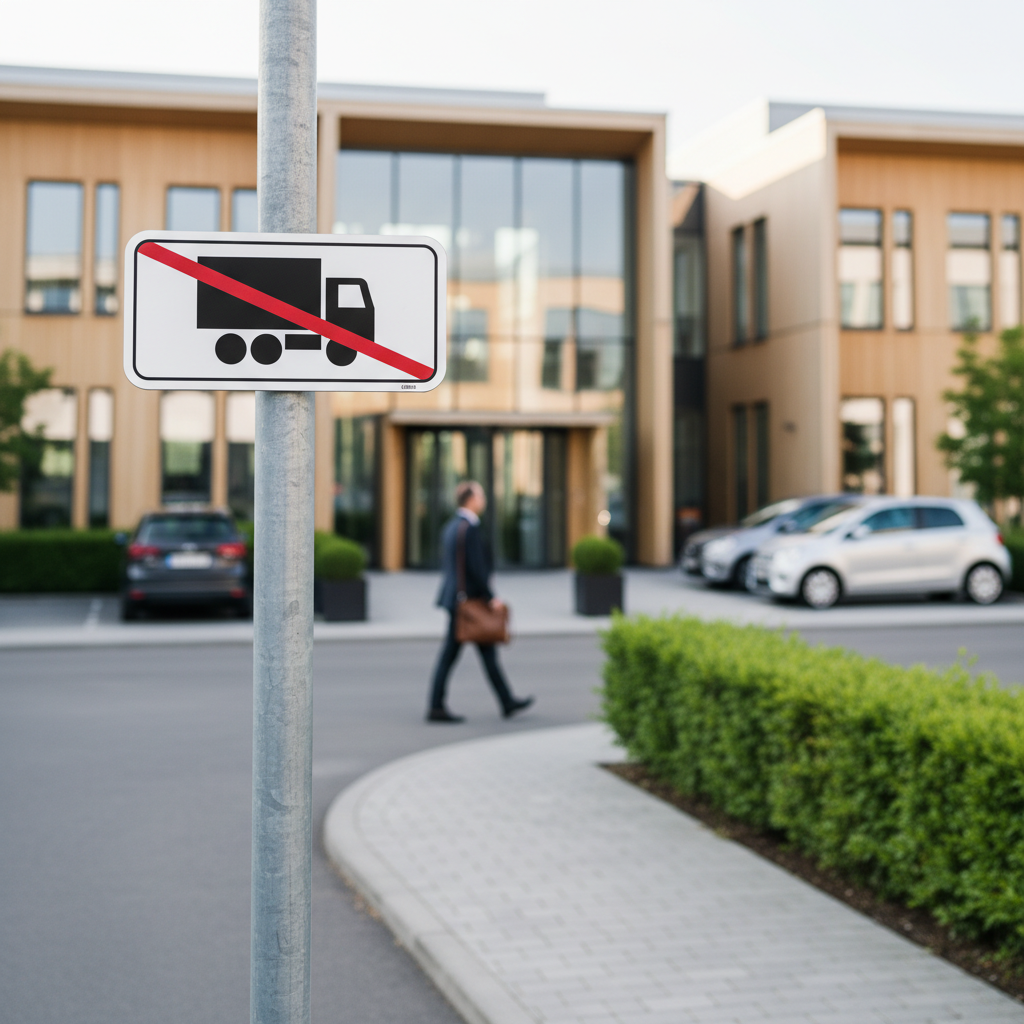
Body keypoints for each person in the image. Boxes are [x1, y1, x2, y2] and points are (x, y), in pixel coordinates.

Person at [426, 480, 534, 723]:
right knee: (453, 655)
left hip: (456, 600)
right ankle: (436, 706)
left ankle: (506, 701)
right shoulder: (469, 529)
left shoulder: (452, 526)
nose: (484, 500)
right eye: (481, 495)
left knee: (483, 654)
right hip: (467, 603)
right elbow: (476, 568)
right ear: (471, 500)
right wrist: (490, 597)